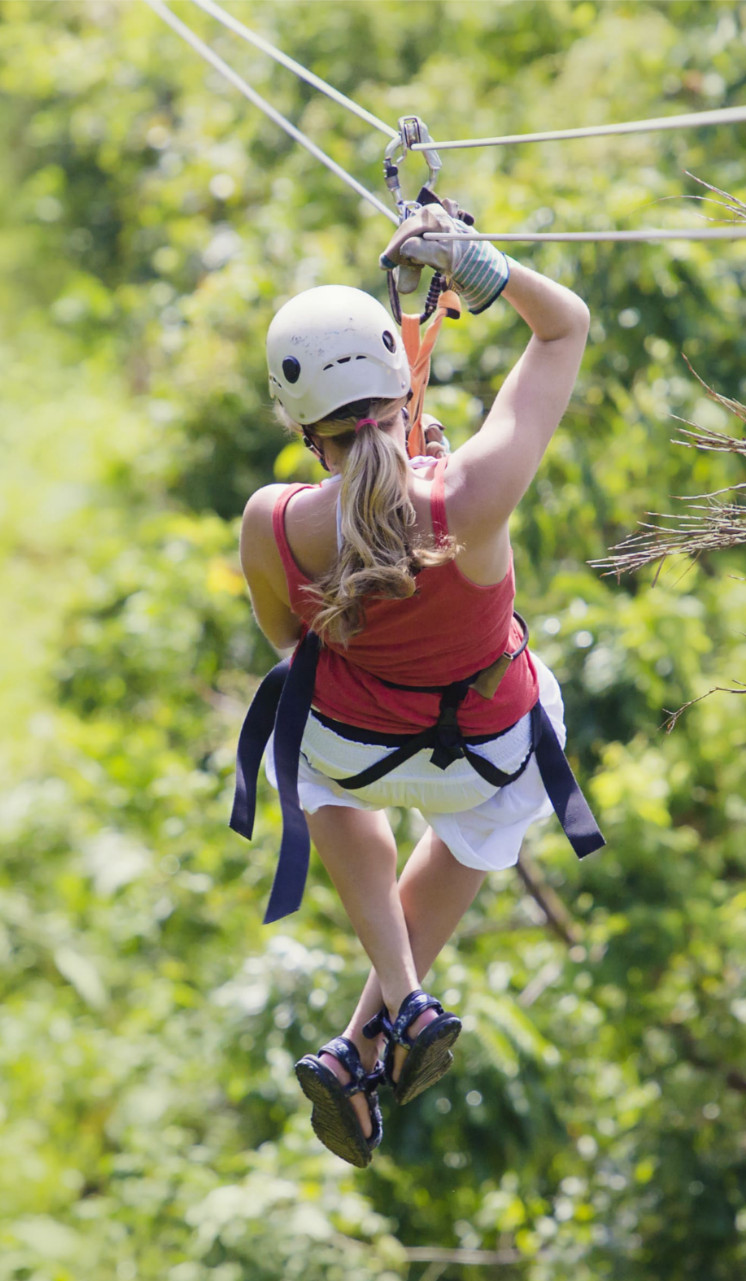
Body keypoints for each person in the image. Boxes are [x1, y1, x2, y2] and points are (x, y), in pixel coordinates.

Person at [231, 203, 600, 1167]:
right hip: (488, 749)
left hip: (354, 749)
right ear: (404, 384)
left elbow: (287, 637)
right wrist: (479, 268)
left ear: (301, 426)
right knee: (483, 815)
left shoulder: (271, 524)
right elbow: (566, 326)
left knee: (301, 741)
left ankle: (390, 1014)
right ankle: (381, 1022)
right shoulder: (470, 495)